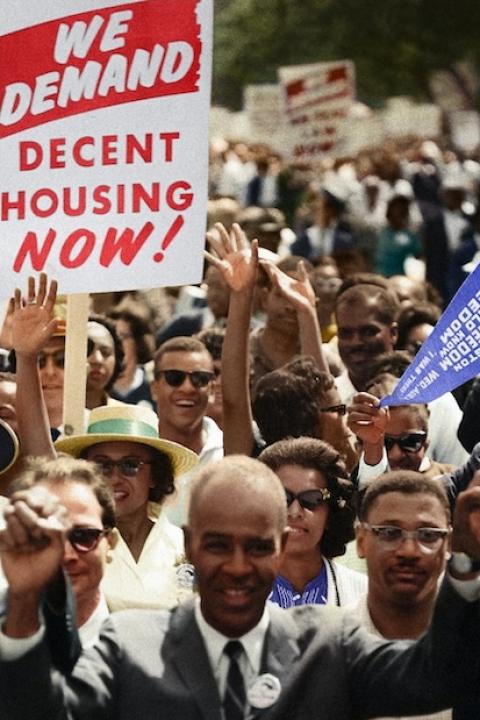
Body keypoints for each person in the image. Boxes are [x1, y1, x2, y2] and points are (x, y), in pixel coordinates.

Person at [2, 454, 480, 719]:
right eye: (217, 545)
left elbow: (435, 678)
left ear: (280, 545)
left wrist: (464, 562)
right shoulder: (128, 643)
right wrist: (23, 601)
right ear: (189, 544)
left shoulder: (330, 643)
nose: (235, 567)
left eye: (255, 548)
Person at [55, 404, 198, 611]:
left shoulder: (185, 545)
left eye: (130, 465)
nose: (115, 478)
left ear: (155, 475)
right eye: (102, 465)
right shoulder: (72, 546)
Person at [352, 470, 452, 720]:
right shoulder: (327, 654)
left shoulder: (470, 651)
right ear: (361, 540)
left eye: (428, 535)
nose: (408, 551)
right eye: (389, 532)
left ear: (448, 544)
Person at [6, 455, 117, 648]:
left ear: (110, 542)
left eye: (83, 536)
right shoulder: (6, 631)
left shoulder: (145, 643)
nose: (65, 555)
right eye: (44, 538)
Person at [259, 437, 366, 607]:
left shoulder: (364, 595)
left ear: (331, 513)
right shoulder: (230, 591)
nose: (295, 512)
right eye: (282, 497)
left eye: (312, 499)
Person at [151, 335, 224, 526]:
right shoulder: (136, 452)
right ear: (154, 388)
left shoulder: (228, 451)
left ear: (211, 389)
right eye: (174, 378)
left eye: (199, 379)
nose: (187, 388)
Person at [86, 314, 125, 410]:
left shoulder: (126, 418)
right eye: (87, 351)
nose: (97, 360)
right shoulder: (49, 416)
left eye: (105, 352)